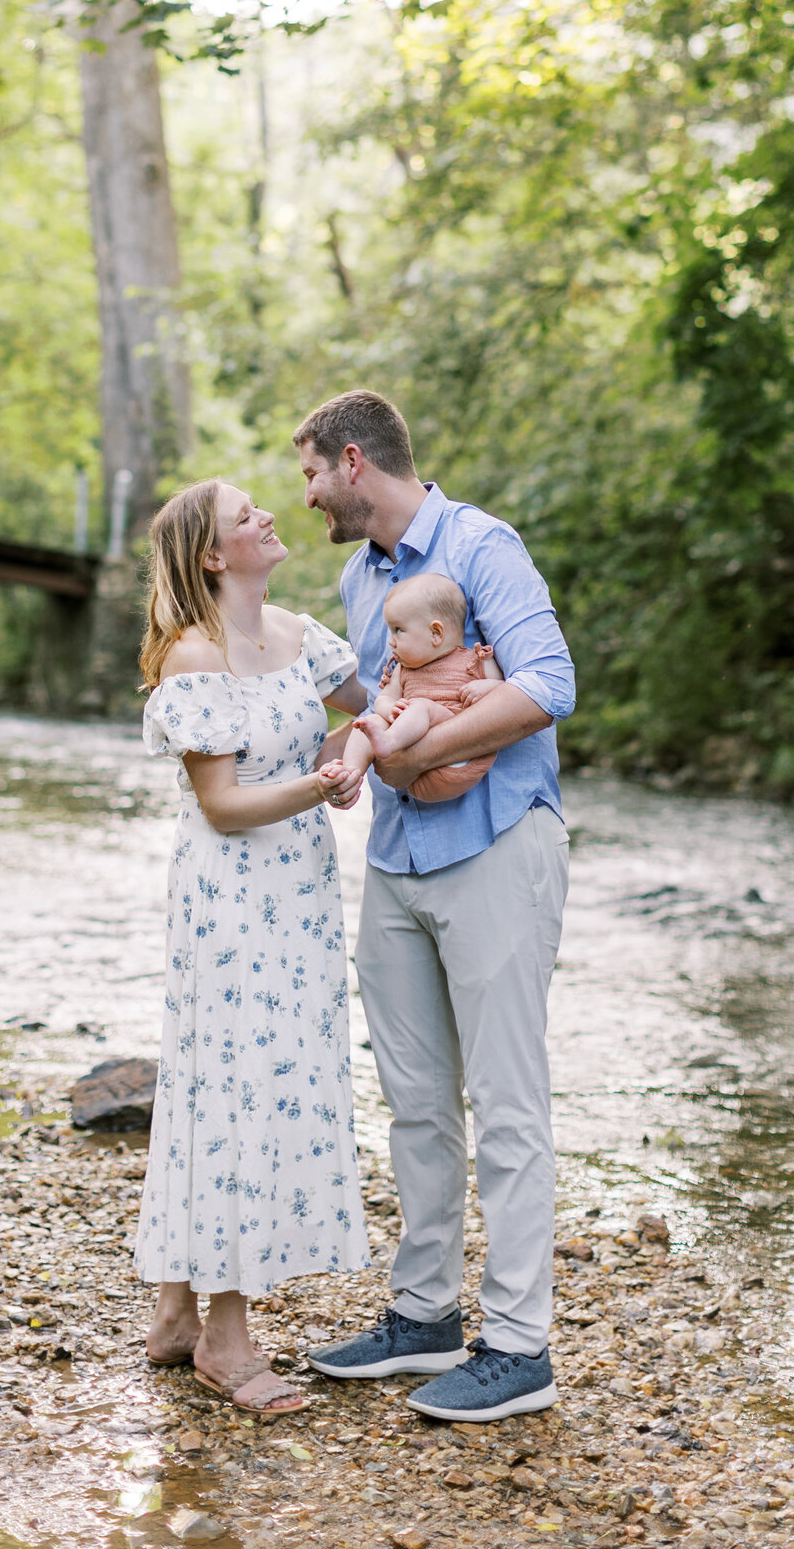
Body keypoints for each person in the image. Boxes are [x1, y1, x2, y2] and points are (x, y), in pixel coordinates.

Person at [294, 390, 576, 1423]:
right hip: (399, 858)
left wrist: (422, 750)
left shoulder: (483, 545)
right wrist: (358, 744)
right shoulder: (355, 576)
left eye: (313, 474)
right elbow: (380, 702)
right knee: (415, 1097)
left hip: (500, 843)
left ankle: (520, 1346)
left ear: (353, 461)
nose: (311, 495)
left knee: (507, 1102)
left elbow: (550, 683)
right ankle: (425, 1317)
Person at [135, 477, 371, 1417]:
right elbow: (225, 809)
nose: (269, 517)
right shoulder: (196, 657)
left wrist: (361, 751)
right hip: (230, 903)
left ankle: (175, 1316)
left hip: (301, 894)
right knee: (231, 1091)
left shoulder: (304, 635)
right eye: (246, 517)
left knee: (256, 1085)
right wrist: (324, 785)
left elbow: (372, 709)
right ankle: (226, 1345)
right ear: (210, 555)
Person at [342, 571, 505, 804]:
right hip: (412, 774)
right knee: (366, 722)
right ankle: (349, 774)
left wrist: (487, 687)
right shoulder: (402, 670)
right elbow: (383, 699)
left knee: (420, 707)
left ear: (436, 633)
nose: (391, 640)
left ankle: (388, 742)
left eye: (398, 630)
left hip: (458, 762)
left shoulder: (475, 661)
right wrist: (389, 710)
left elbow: (507, 691)